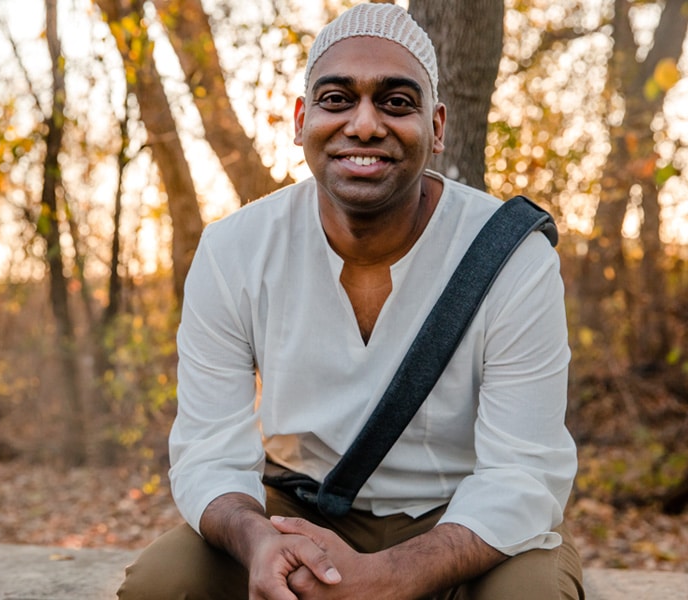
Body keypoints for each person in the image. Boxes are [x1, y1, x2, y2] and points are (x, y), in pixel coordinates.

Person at [118, 3, 583, 599]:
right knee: (163, 585)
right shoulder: (234, 249)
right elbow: (208, 452)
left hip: (462, 517)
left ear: (437, 128)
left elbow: (524, 473)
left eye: (396, 102)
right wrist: (259, 540)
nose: (364, 125)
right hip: (299, 506)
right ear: (300, 118)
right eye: (337, 99)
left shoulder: (514, 257)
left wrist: (391, 577)